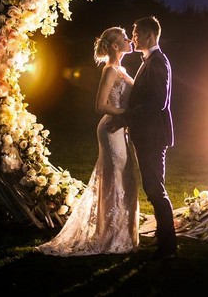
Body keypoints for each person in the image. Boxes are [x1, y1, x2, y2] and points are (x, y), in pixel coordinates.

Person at [35, 26, 139, 256]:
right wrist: (126, 115)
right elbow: (100, 106)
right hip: (111, 128)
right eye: (124, 38)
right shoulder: (110, 70)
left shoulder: (121, 68)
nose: (130, 40)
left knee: (125, 176)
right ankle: (109, 236)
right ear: (114, 46)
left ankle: (120, 232)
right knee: (115, 178)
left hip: (120, 128)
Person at [109, 16, 177, 261]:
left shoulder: (158, 62)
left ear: (150, 35)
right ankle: (163, 237)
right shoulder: (150, 60)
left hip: (153, 136)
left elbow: (157, 102)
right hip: (146, 134)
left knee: (154, 188)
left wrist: (125, 117)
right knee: (153, 186)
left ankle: (168, 246)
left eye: (136, 33)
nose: (133, 37)